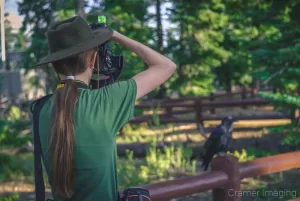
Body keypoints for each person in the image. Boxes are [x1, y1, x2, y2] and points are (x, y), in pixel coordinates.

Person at [34, 16, 176, 201]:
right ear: (93, 60)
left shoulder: (40, 109)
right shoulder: (107, 100)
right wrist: (115, 35)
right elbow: (166, 66)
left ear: (53, 64)